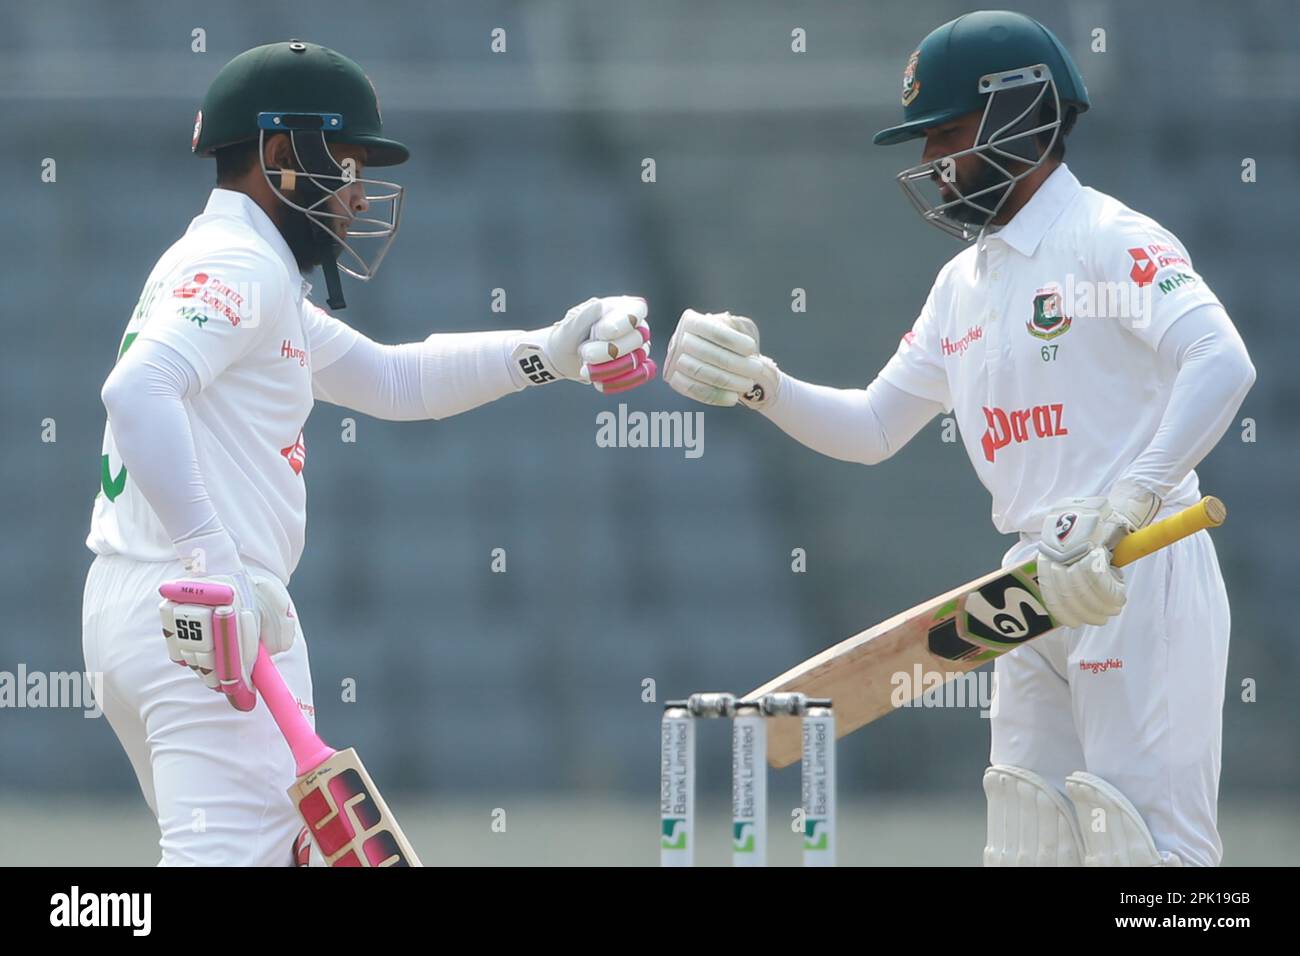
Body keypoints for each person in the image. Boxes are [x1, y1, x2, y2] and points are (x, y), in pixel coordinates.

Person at [663, 10, 1254, 866]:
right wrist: (761, 384)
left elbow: (1220, 359)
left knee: (1148, 853)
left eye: (944, 132)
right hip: (1027, 583)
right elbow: (872, 427)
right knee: (1029, 841)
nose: (930, 161)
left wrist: (1126, 505)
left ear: (1022, 113)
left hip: (1136, 568)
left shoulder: (1108, 239)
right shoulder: (962, 285)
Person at [82, 40, 655, 866]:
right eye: (343, 164)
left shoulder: (237, 266)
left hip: (153, 609)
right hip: (203, 611)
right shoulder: (241, 264)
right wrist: (218, 563)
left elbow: (393, 378)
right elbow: (135, 393)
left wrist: (550, 352)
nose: (355, 193)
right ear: (280, 159)